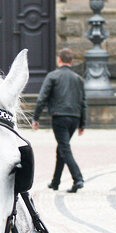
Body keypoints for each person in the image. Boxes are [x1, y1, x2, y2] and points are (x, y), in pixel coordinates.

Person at [33, 48, 87, 193]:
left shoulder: (53, 76)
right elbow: (83, 102)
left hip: (59, 117)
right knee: (62, 148)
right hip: (74, 118)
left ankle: (78, 179)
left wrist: (35, 117)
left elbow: (42, 98)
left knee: (64, 148)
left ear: (59, 60)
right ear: (72, 61)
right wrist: (82, 123)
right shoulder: (78, 79)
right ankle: (55, 182)